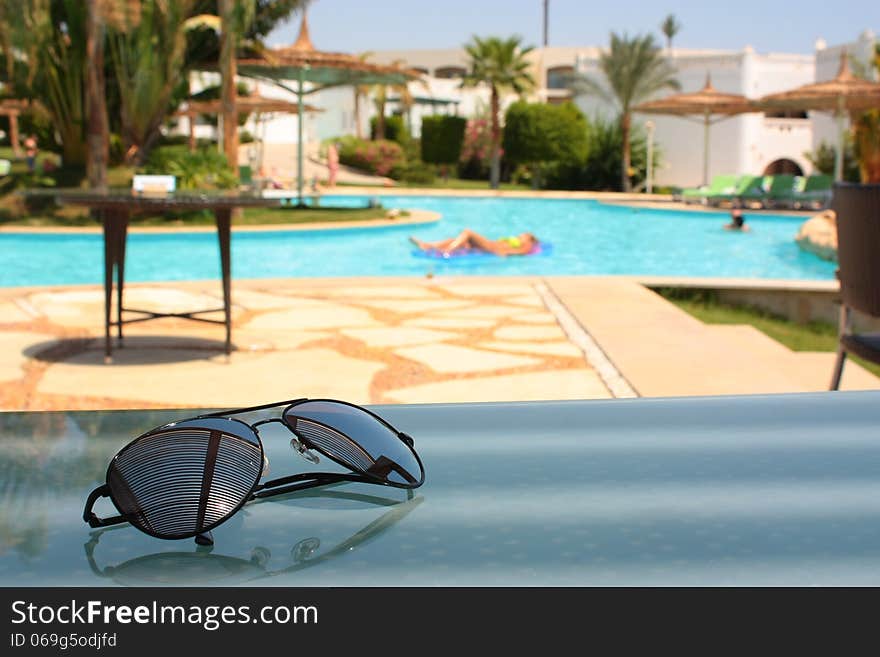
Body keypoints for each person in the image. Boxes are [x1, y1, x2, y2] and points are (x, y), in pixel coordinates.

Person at [410, 229, 540, 257]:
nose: (520, 235)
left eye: (524, 235)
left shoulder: (527, 245)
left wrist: (505, 252)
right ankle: (428, 245)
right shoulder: (516, 241)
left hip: (491, 248)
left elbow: (521, 252)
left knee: (468, 233)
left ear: (530, 239)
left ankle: (447, 251)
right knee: (453, 240)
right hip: (490, 245)